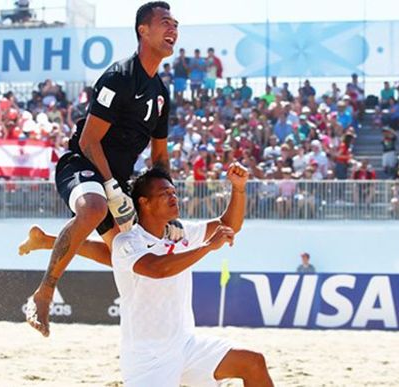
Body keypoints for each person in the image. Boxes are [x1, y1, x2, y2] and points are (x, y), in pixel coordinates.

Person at [24, 1, 179, 337]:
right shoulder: (119, 77)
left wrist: (167, 208)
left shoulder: (161, 93)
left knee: (123, 257)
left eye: (176, 24)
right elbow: (89, 142)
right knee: (94, 208)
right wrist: (110, 186)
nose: (173, 29)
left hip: (117, 181)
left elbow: (161, 158)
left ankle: (46, 241)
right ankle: (45, 291)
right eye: (165, 22)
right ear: (143, 30)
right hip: (82, 165)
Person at [112, 166, 273, 386]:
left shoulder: (182, 233)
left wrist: (238, 189)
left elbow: (229, 225)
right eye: (164, 194)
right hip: (148, 357)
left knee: (253, 362)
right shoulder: (127, 242)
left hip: (186, 345)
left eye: (174, 192)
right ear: (144, 202)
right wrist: (207, 247)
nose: (173, 197)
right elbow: (157, 269)